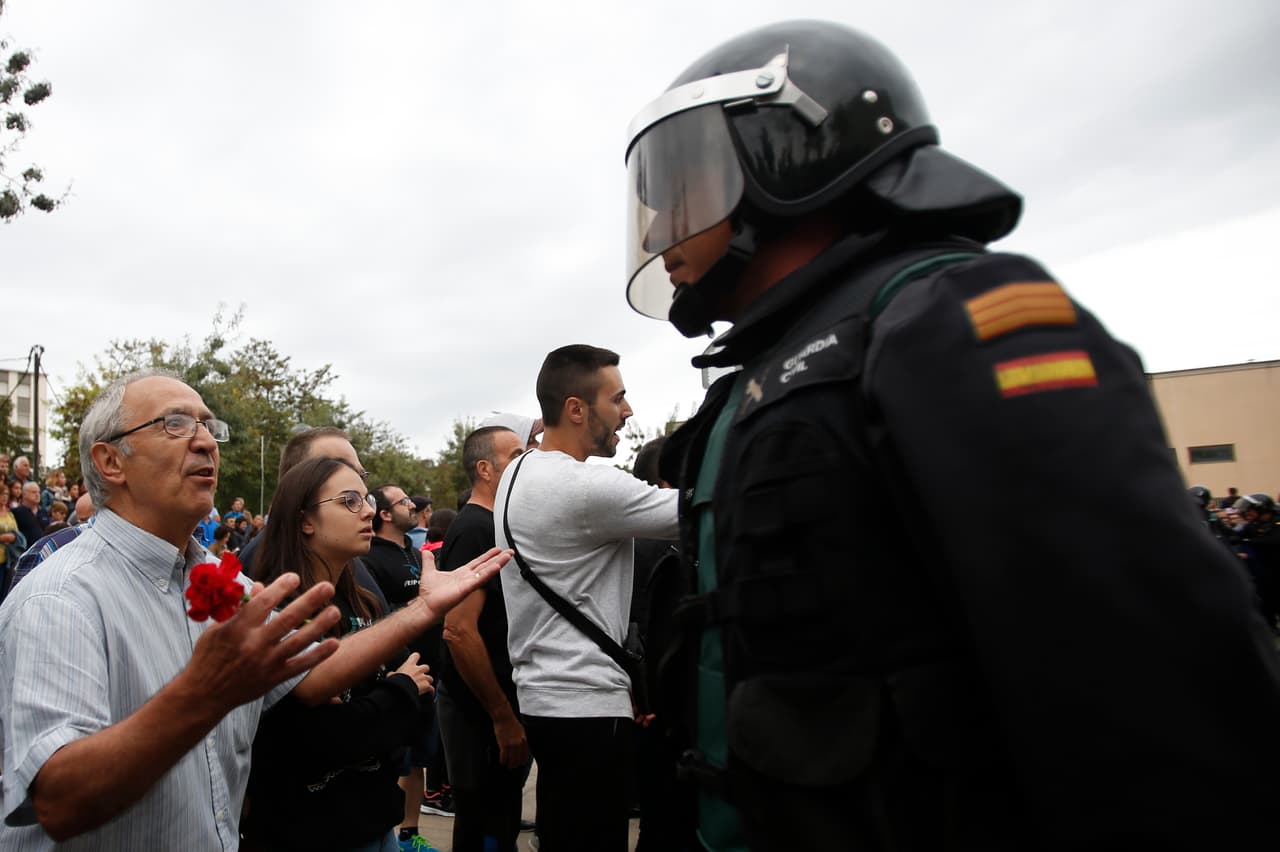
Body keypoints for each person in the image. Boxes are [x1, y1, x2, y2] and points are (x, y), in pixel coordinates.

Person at [622, 20, 1280, 850]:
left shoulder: (953, 317)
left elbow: (1159, 682)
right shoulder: (769, 373)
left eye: (679, 192)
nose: (657, 235)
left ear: (784, 154)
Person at [0, 369, 510, 850]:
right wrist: (205, 694)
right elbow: (58, 800)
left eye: (206, 425)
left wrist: (423, 609)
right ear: (111, 462)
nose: (204, 441)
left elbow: (313, 675)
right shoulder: (61, 598)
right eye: (174, 424)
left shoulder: (222, 583)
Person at [496, 345, 679, 852]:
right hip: (588, 707)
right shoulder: (585, 488)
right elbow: (705, 510)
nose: (628, 410)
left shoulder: (517, 471)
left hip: (543, 699)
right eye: (617, 398)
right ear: (577, 409)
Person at [242, 456, 434, 852]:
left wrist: (387, 699)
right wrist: (398, 692)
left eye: (364, 498)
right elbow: (314, 740)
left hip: (375, 820)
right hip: (309, 831)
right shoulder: (276, 611)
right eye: (349, 501)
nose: (367, 510)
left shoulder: (364, 602)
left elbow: (419, 689)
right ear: (305, 520)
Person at [438, 425, 530, 852]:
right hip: (480, 718)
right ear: (485, 469)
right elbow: (459, 630)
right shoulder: (474, 528)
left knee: (502, 822)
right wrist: (502, 717)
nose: (526, 460)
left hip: (498, 709)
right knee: (484, 828)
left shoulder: (497, 522)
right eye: (515, 454)